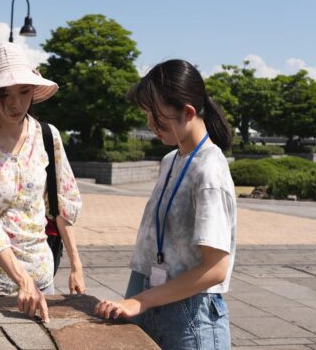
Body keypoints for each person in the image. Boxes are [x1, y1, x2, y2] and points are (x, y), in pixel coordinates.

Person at [94, 60, 236, 349]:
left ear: (188, 112)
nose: (149, 124)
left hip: (191, 316)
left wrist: (139, 301)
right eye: (147, 114)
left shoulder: (209, 169)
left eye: (156, 116)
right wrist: (137, 299)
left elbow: (216, 269)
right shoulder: (171, 160)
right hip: (155, 302)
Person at [0, 43, 85, 323]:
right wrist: (21, 280)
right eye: (5, 94)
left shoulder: (47, 136)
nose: (16, 103)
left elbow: (61, 203)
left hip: (42, 274)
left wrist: (76, 264)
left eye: (24, 92)